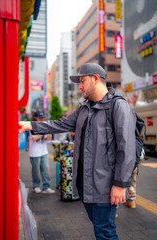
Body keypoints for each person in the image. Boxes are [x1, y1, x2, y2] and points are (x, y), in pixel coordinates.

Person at [19, 63, 136, 239]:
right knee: (99, 227)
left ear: (96, 79)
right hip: (85, 184)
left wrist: (120, 184)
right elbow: (60, 124)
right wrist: (30, 125)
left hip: (105, 186)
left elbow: (126, 148)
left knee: (105, 231)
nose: (80, 86)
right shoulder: (84, 108)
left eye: (82, 81)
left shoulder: (118, 106)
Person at [29, 110, 55, 194]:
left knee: (46, 170)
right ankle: (36, 186)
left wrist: (48, 136)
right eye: (40, 118)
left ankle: (46, 187)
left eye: (42, 118)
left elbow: (46, 138)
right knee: (36, 171)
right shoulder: (32, 126)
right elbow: (34, 138)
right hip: (34, 153)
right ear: (35, 117)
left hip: (43, 151)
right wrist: (44, 132)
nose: (41, 119)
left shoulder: (44, 125)